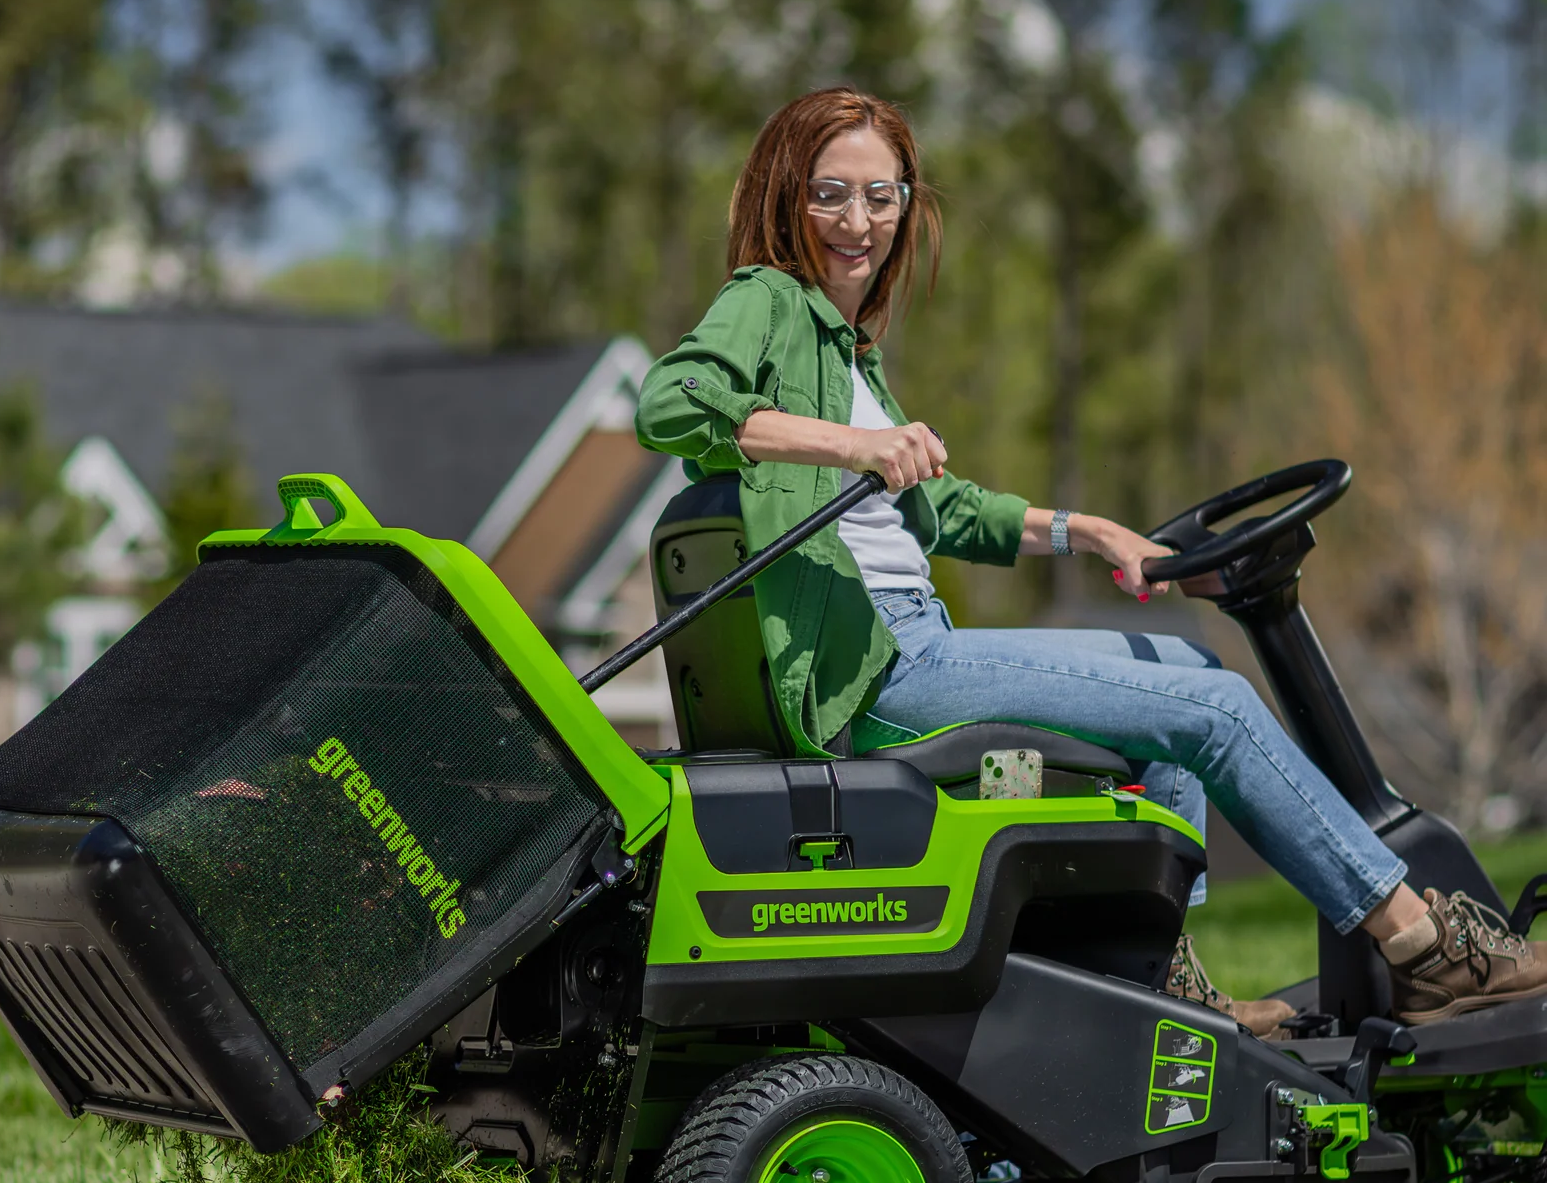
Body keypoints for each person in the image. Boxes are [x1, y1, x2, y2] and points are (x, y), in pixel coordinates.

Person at [636, 86, 1546, 1032]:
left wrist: (1092, 530)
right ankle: (1424, 948)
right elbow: (669, 401)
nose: (858, 221)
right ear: (789, 195)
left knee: (1182, 668)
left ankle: (1160, 976)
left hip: (911, 649)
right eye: (831, 193)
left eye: (884, 195)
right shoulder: (768, 303)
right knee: (1217, 709)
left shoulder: (848, 350)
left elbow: (941, 507)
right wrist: (852, 445)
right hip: (880, 674)